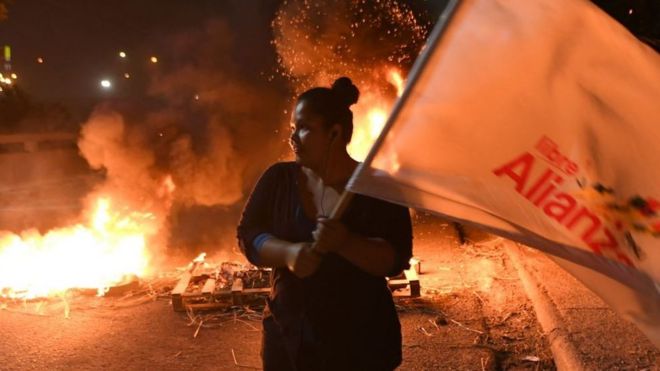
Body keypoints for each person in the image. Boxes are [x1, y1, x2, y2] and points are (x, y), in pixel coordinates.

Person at [237, 77, 413, 371]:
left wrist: (346, 242)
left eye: (304, 128)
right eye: (293, 128)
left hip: (359, 342)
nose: (293, 138)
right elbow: (248, 233)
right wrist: (287, 253)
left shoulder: (378, 188)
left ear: (335, 133)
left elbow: (395, 258)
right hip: (289, 337)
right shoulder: (278, 179)